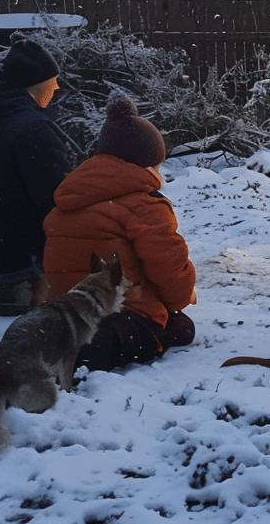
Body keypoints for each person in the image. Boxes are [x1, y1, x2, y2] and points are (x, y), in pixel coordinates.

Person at [42, 96, 197, 372]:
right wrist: (177, 303)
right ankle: (92, 350)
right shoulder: (145, 206)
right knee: (182, 329)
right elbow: (169, 268)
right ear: (144, 164)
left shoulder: (67, 199)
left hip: (66, 306)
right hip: (121, 310)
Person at [0, 36, 75, 315]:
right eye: (52, 82)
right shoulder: (32, 130)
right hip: (26, 254)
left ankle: (6, 283)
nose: (56, 89)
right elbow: (59, 197)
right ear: (35, 84)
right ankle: (20, 289)